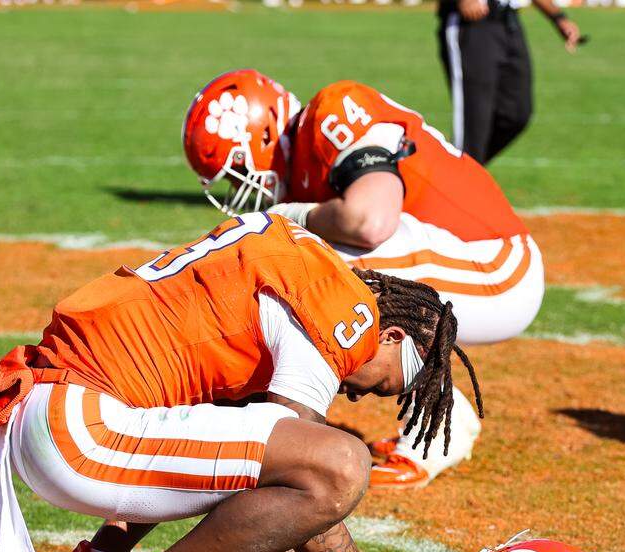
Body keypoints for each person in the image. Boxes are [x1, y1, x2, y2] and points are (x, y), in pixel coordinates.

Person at [0, 213, 477, 552]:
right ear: (390, 337)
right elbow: (297, 479)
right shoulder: (342, 315)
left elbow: (231, 459)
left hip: (56, 412)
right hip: (79, 430)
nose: (364, 398)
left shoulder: (299, 260)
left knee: (260, 446)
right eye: (386, 385)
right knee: (340, 463)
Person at [183, 69, 543, 490]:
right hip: (463, 264)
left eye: (238, 167)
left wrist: (292, 215)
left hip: (498, 266)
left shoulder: (333, 109)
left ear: (262, 133)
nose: (239, 183)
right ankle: (431, 409)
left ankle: (303, 423)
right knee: (297, 261)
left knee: (311, 265)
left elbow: (371, 221)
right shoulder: (301, 162)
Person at [437, 0, 581, 164]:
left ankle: (455, 172)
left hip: (508, 22)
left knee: (516, 114)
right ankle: (457, 176)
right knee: (474, 128)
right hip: (472, 23)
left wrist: (558, 17)